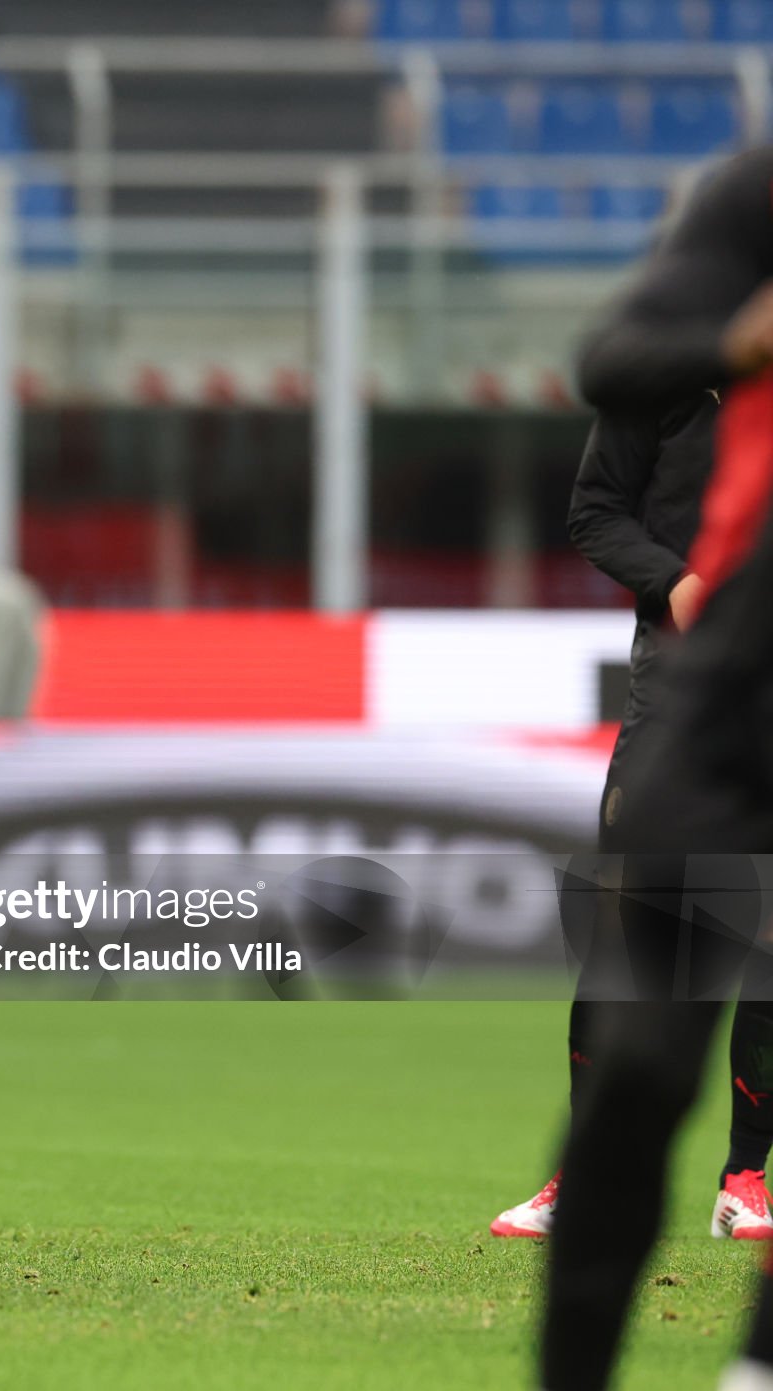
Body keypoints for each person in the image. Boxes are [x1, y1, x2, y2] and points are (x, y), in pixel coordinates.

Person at [540, 143, 773, 1391]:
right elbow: (609, 360)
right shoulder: (751, 198)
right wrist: (737, 338)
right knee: (640, 1045)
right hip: (719, 684)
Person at [491, 390, 773, 1245]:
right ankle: (584, 1175)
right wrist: (675, 582)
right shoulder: (665, 370)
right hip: (680, 683)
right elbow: (595, 511)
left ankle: (746, 1179)